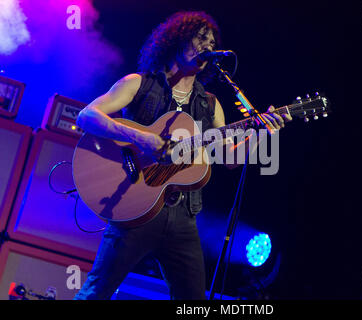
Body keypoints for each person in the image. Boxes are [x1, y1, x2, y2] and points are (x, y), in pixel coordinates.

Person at [74, 11, 291, 300]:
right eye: (201, 38)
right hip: (133, 209)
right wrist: (141, 137)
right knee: (95, 293)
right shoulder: (138, 84)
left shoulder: (210, 104)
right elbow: (87, 116)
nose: (208, 46)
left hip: (183, 218)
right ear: (176, 40)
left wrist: (263, 131)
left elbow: (229, 159)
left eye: (212, 41)